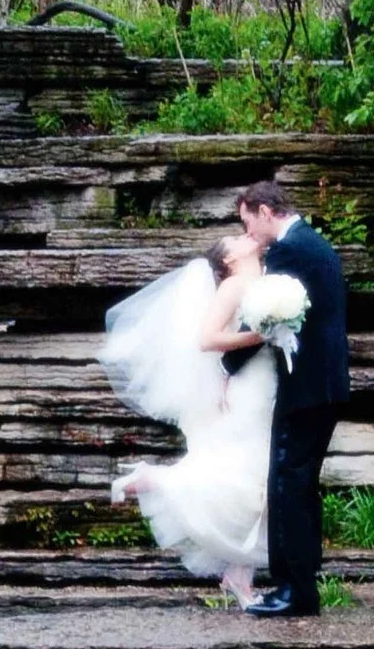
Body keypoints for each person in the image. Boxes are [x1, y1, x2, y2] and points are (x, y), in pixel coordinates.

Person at [99, 235, 280, 606]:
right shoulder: (233, 286)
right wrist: (259, 334)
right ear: (229, 259)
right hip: (247, 388)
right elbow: (207, 338)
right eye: (236, 240)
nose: (245, 237)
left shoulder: (266, 280)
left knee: (260, 484)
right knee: (250, 478)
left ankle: (240, 576)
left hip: (264, 382)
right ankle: (151, 480)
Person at [230, 178, 350, 618]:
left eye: (248, 223)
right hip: (328, 385)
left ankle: (295, 591)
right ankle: (303, 583)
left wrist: (226, 367)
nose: (248, 234)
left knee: (287, 487)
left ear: (265, 211)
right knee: (302, 486)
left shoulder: (288, 251)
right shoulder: (315, 243)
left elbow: (266, 322)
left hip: (305, 389)